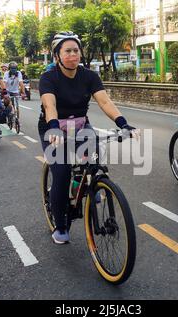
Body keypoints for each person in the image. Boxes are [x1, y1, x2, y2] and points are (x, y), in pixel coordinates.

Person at [39, 32, 138, 244]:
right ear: (57, 55)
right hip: (53, 129)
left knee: (94, 161)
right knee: (63, 172)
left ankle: (85, 184)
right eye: (67, 51)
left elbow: (105, 102)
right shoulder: (49, 78)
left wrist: (123, 123)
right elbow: (50, 106)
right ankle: (61, 225)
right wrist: (55, 129)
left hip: (81, 126)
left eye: (76, 50)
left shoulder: (90, 76)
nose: (73, 55)